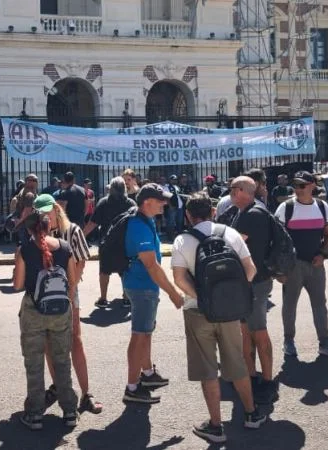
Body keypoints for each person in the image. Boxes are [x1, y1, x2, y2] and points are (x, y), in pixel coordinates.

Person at [171, 193, 268, 444]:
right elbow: (251, 269)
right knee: (236, 362)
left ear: (188, 215)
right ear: (213, 211)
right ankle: (251, 413)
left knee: (207, 369)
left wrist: (203, 299)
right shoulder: (230, 234)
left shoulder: (183, 240)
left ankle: (216, 426)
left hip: (197, 311)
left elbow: (180, 279)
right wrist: (233, 297)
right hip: (230, 312)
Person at [33, 195, 104, 415]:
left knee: (75, 341)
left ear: (56, 209)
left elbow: (82, 260)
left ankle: (86, 393)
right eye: (40, 214)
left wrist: (71, 289)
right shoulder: (39, 232)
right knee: (47, 343)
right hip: (45, 294)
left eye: (47, 212)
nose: (45, 217)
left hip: (68, 292)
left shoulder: (72, 230)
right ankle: (59, 388)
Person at [12, 210, 79, 430]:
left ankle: (35, 414)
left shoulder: (25, 250)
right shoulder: (64, 247)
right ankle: (69, 410)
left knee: (34, 363)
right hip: (60, 310)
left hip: (34, 310)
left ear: (30, 229)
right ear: (49, 225)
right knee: (62, 360)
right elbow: (72, 281)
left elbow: (18, 284)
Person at [122, 183, 184, 404]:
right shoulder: (139, 225)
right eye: (160, 200)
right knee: (139, 334)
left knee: (146, 331)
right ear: (147, 202)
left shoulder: (145, 220)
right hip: (142, 286)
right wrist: (173, 293)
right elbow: (152, 265)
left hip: (144, 286)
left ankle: (147, 375)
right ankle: (132, 388)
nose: (165, 203)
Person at [276, 171, 328, 360]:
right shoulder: (285, 208)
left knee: (320, 305)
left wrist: (323, 254)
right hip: (293, 266)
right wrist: (279, 270)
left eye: (302, 185)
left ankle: (325, 343)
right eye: (295, 185)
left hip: (316, 265)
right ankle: (288, 342)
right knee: (289, 305)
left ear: (312, 185)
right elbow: (277, 240)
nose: (297, 189)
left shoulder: (322, 207)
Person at [227, 176, 278, 402]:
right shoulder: (246, 211)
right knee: (246, 332)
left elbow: (234, 244)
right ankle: (251, 375)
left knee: (258, 331)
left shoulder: (253, 214)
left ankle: (267, 382)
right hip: (247, 283)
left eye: (231, 189)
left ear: (240, 190)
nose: (229, 194)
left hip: (256, 283)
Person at [83, 177, 136, 309]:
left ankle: (103, 298)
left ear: (111, 189)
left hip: (106, 242)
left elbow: (93, 223)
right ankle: (126, 297)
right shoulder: (130, 204)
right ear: (124, 188)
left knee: (104, 271)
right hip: (125, 243)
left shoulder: (103, 203)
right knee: (125, 270)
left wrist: (81, 235)